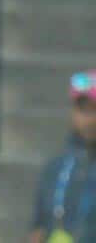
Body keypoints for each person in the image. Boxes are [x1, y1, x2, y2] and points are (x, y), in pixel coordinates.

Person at [28, 70, 96, 243]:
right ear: (73, 111)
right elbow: (38, 229)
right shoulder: (55, 169)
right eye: (84, 110)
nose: (90, 119)